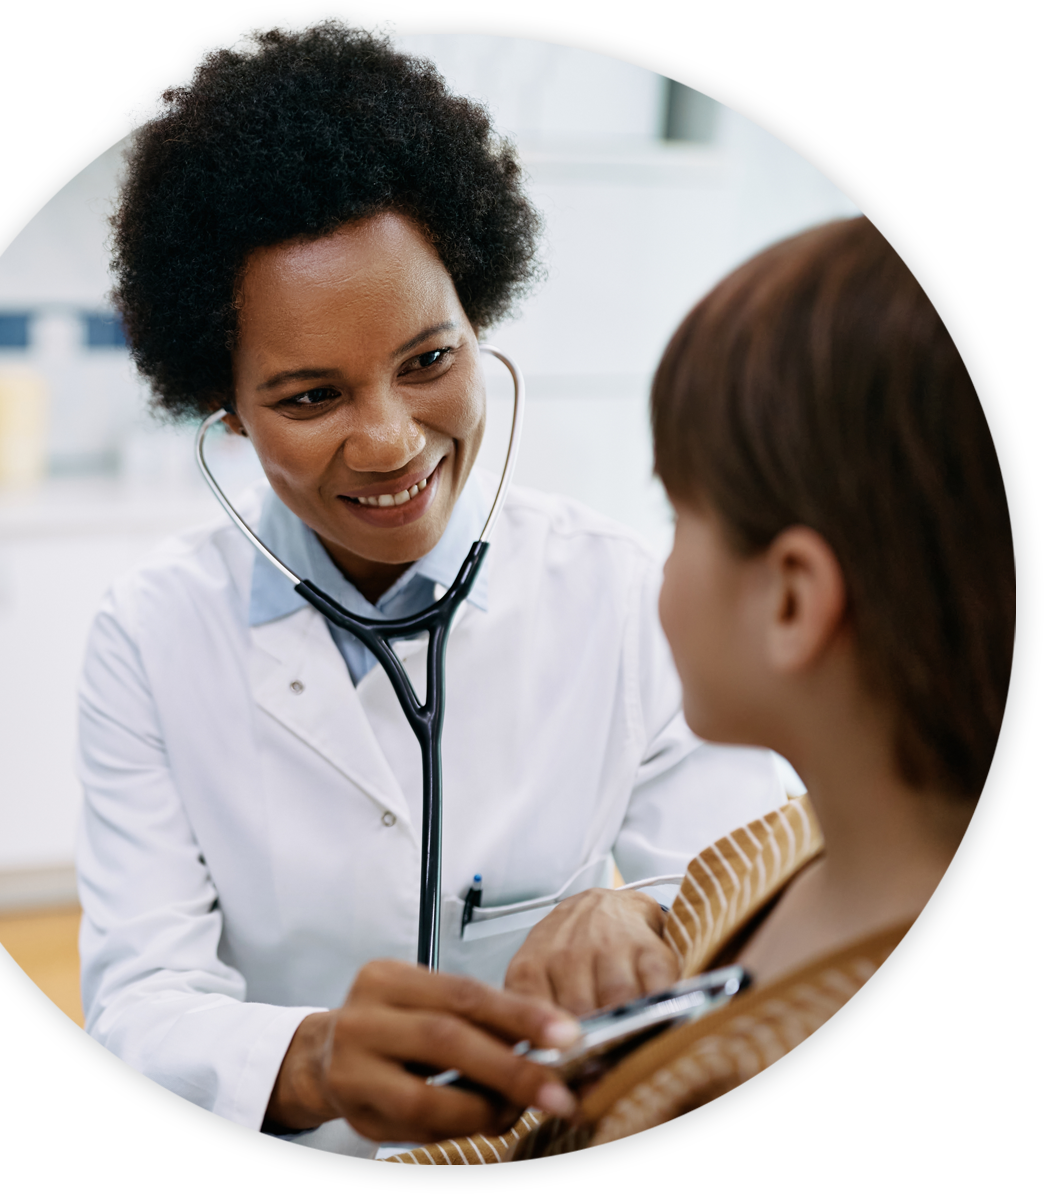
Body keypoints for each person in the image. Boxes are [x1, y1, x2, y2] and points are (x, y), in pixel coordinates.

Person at [64, 10, 787, 1166]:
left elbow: (766, 887)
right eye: (309, 398)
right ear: (228, 412)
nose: (392, 441)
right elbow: (139, 1026)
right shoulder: (150, 638)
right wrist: (311, 1061)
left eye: (430, 361)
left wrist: (646, 914)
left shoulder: (620, 594)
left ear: (478, 317)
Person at [386, 181, 1016, 1166]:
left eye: (681, 517)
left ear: (793, 602)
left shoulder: (806, 1124)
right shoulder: (810, 840)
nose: (659, 563)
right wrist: (629, 908)